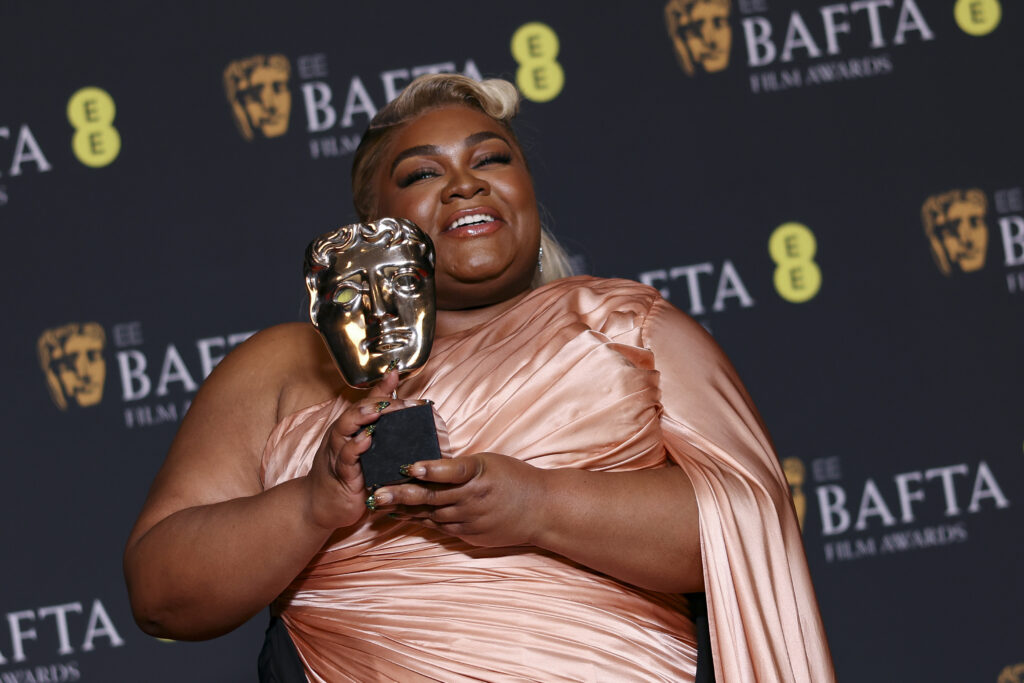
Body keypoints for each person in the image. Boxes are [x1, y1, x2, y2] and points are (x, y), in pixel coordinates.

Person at [124, 73, 834, 682]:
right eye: (422, 173)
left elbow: (749, 527)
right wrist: (311, 505)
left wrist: (537, 504)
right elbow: (160, 594)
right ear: (374, 224)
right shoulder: (285, 364)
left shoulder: (626, 327)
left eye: (491, 159)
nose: (465, 184)